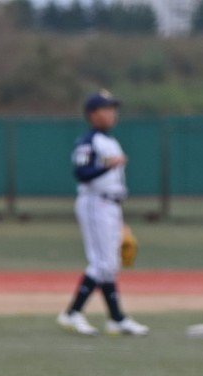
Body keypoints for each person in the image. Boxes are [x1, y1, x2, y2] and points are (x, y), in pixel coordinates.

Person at [57, 90, 149, 337]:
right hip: (95, 203)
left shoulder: (110, 141)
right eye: (106, 109)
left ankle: (116, 319)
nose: (112, 113)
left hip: (111, 205)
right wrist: (106, 166)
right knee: (102, 263)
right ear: (92, 114)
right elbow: (81, 173)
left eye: (113, 109)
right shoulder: (89, 141)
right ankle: (72, 313)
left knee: (110, 264)